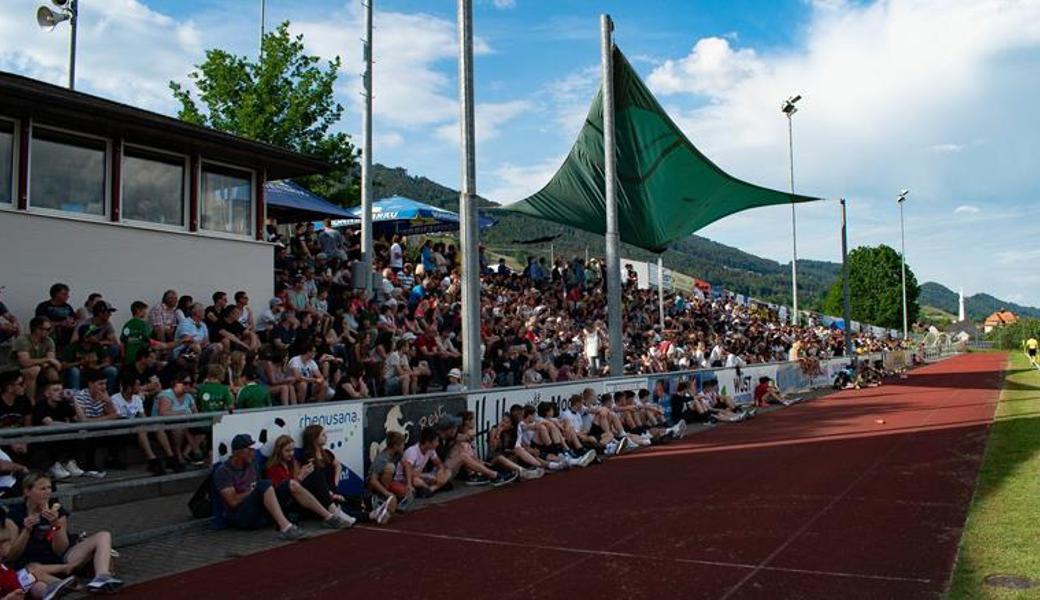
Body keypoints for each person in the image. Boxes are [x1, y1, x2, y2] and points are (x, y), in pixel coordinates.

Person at [5, 472, 122, 592]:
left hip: (59, 557)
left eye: (49, 488)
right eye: (42, 489)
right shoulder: (15, 515)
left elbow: (61, 549)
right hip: (33, 561)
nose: (47, 492)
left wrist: (55, 524)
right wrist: (26, 531)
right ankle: (66, 585)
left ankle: (101, 577)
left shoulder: (56, 510)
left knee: (103, 535)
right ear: (27, 492)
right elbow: (12, 556)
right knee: (32, 571)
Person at [215, 434, 346, 540]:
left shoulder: (253, 464)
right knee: (265, 484)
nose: (253, 452)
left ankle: (329, 517)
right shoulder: (224, 471)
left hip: (261, 510)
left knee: (292, 483)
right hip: (242, 516)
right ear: (238, 452)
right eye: (249, 450)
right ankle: (286, 528)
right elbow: (232, 502)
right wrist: (253, 490)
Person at [263, 435, 354, 526]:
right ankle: (334, 512)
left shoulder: (292, 463)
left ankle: (339, 510)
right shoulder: (273, 467)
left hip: (302, 499)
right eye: (287, 451)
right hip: (287, 503)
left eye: (292, 450)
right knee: (316, 478)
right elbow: (286, 488)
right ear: (279, 451)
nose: (291, 453)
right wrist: (301, 476)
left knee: (318, 477)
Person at [111, 374, 174, 476]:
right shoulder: (115, 399)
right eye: (137, 385)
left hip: (137, 427)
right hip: (122, 429)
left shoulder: (137, 398)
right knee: (141, 428)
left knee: (157, 426)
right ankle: (152, 459)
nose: (139, 387)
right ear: (129, 387)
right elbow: (118, 418)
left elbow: (142, 416)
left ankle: (171, 457)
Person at [0, 524, 77, 599]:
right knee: (34, 572)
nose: (11, 544)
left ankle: (53, 591)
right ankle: (66, 586)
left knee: (37, 581)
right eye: (8, 543)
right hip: (14, 588)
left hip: (16, 584)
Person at [11, 318, 61, 404]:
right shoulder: (23, 340)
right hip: (16, 370)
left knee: (52, 372)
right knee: (33, 370)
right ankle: (31, 403)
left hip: (39, 369)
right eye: (47, 329)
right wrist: (47, 359)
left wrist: (46, 361)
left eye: (50, 329)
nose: (49, 331)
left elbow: (53, 363)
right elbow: (24, 363)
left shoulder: (49, 341)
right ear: (36, 329)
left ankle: (54, 401)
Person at [366, 431, 406, 521]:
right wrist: (387, 493)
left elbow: (406, 465)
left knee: (405, 491)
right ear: (395, 446)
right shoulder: (382, 459)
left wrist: (410, 484)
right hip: (372, 486)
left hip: (386, 481)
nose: (404, 446)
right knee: (390, 467)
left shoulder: (398, 454)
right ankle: (381, 499)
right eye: (402, 444)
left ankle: (392, 504)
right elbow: (373, 480)